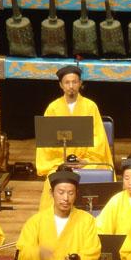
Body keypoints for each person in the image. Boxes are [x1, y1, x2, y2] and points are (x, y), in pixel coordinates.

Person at [35, 65, 114, 210]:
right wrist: (63, 162)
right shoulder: (52, 108)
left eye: (74, 82)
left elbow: (98, 138)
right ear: (61, 85)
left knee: (99, 171)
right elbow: (46, 144)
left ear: (80, 83)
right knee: (52, 179)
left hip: (87, 160)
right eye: (67, 82)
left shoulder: (90, 106)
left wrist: (85, 161)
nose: (71, 86)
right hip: (60, 162)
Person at [95, 153, 131, 235]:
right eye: (126, 178)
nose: (130, 182)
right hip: (120, 247)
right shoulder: (116, 200)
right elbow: (102, 227)